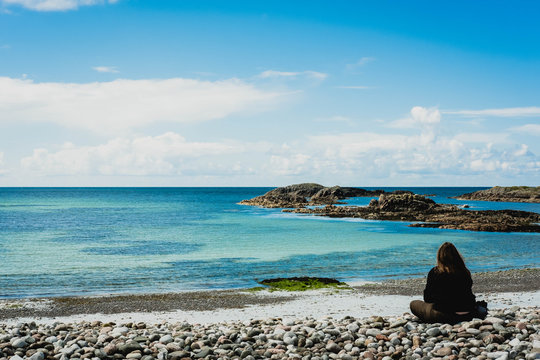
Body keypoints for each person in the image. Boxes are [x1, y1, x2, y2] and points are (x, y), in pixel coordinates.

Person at [410, 242, 487, 324]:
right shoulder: (465, 271)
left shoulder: (435, 272)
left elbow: (427, 298)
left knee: (413, 304)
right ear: (457, 256)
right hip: (468, 313)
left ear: (439, 257)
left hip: (446, 315)